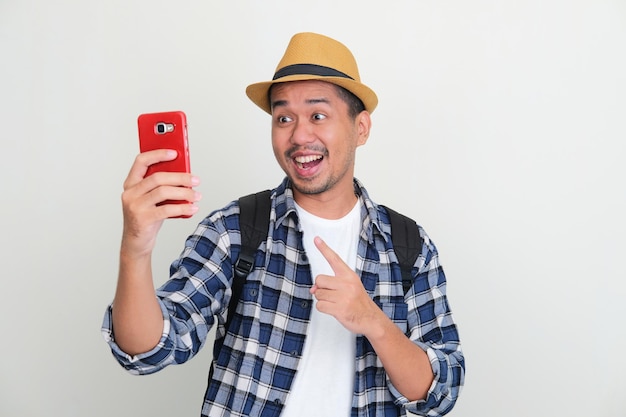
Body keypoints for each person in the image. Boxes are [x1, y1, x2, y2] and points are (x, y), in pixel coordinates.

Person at [102, 32, 465, 417]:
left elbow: (440, 393)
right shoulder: (236, 229)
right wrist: (135, 249)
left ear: (361, 128)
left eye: (318, 115)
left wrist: (373, 321)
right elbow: (148, 350)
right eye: (283, 118)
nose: (299, 135)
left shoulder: (408, 245)